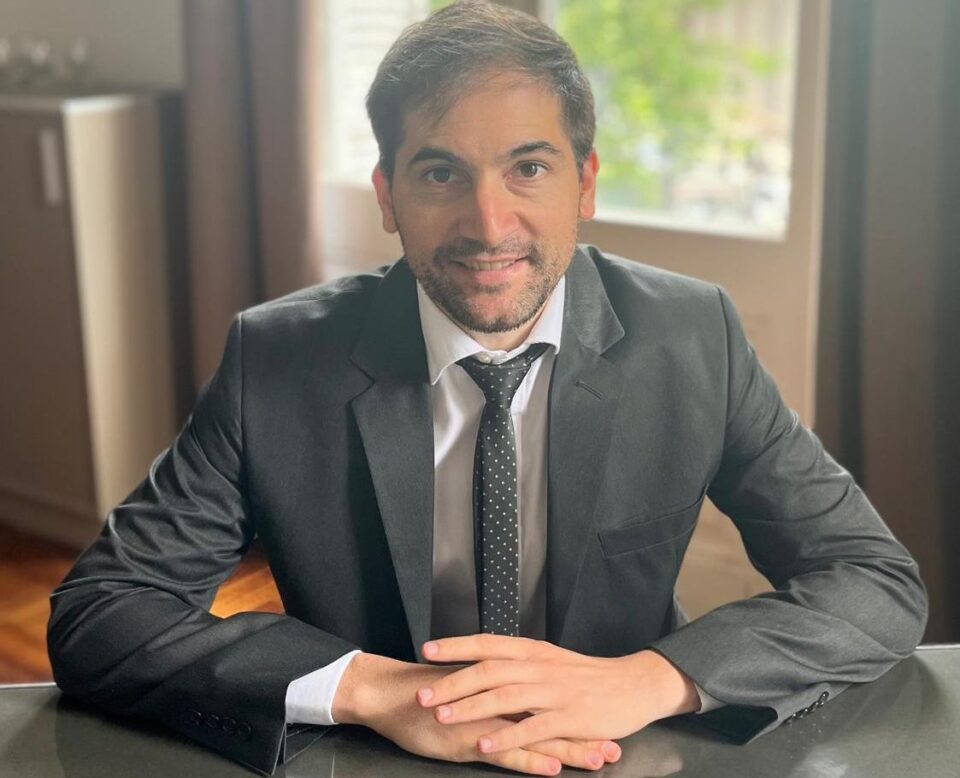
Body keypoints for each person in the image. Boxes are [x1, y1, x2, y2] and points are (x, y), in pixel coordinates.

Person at [47, 2, 928, 776]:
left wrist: (647, 679)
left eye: (528, 169)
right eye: (441, 174)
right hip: (372, 758)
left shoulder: (696, 339)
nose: (488, 223)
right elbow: (100, 612)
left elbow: (872, 579)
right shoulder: (273, 359)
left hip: (622, 751)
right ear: (388, 196)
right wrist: (378, 690)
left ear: (586, 183)